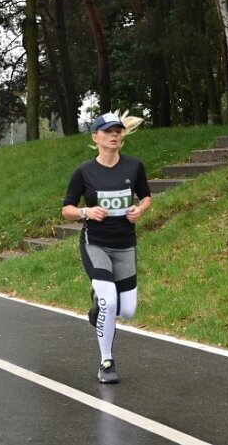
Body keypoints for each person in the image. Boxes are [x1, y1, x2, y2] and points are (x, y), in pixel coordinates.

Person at [61, 111, 151, 384]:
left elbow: (146, 197)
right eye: (109, 131)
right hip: (96, 244)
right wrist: (86, 212)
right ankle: (106, 362)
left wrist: (140, 210)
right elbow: (66, 210)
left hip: (124, 245)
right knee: (110, 301)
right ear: (96, 137)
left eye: (119, 131)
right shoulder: (84, 172)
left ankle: (98, 306)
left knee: (127, 311)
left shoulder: (133, 167)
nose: (115, 135)